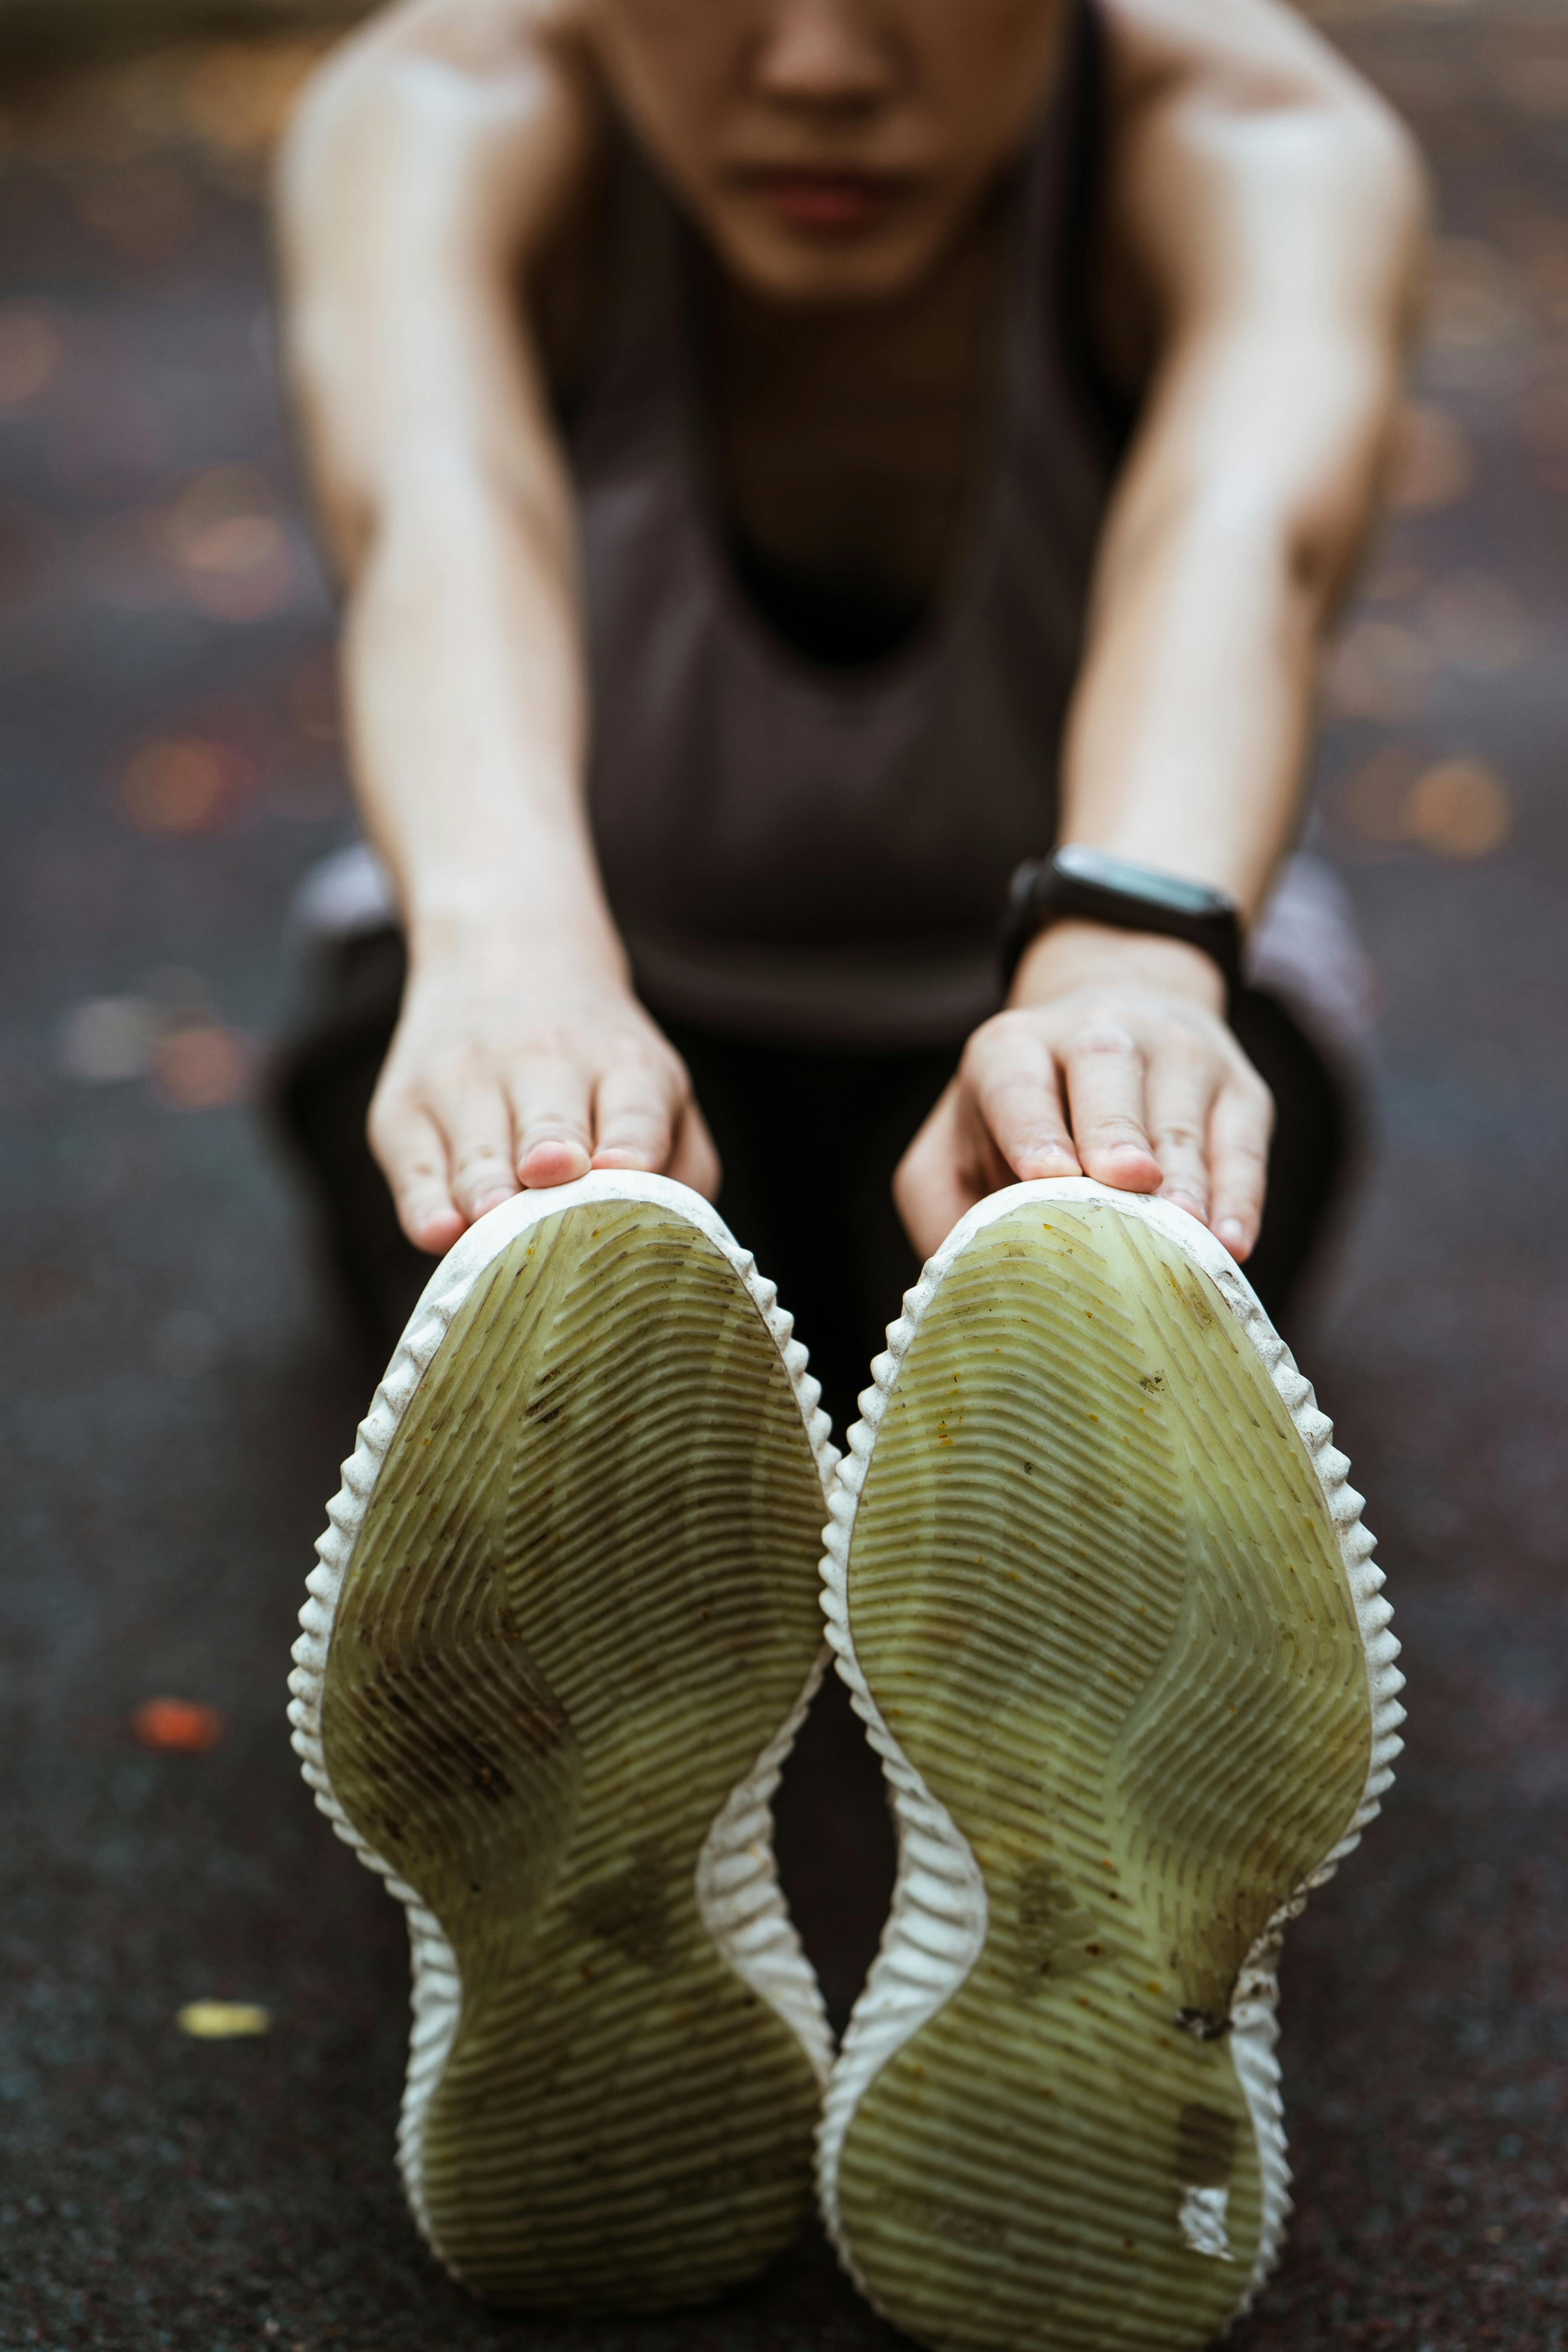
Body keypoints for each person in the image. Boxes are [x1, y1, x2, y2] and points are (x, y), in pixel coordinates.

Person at [273, 0, 1421, 2340]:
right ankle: (669, 1828)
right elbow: (437, 512)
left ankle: (1024, 1834)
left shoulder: (1262, 143)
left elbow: (1248, 534)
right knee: (555, 1217)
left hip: (1070, 1061)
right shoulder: (444, 116)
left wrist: (1133, 958)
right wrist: (506, 963)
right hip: (591, 1017)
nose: (817, 67)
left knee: (1108, 1213)